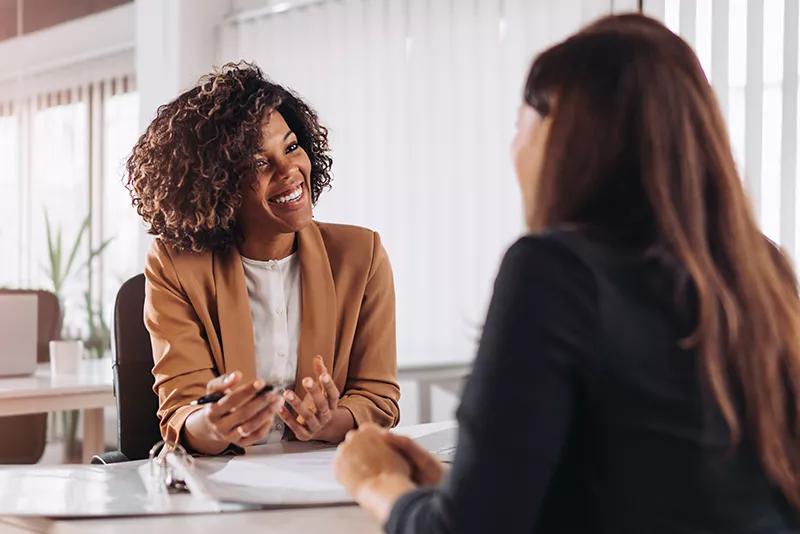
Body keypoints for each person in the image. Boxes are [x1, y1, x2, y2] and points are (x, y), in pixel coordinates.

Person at [333, 14, 800, 533]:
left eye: (518, 125)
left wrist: (376, 483)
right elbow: (660, 488)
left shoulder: (553, 271)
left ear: (560, 131)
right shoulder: (762, 271)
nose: (515, 148)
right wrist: (455, 488)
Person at [126, 63, 399, 456]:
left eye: (291, 147)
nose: (289, 171)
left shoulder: (361, 255)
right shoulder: (175, 265)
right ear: (216, 184)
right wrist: (218, 423)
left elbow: (378, 399)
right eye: (258, 162)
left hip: (324, 479)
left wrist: (327, 421)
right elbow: (181, 415)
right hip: (222, 484)